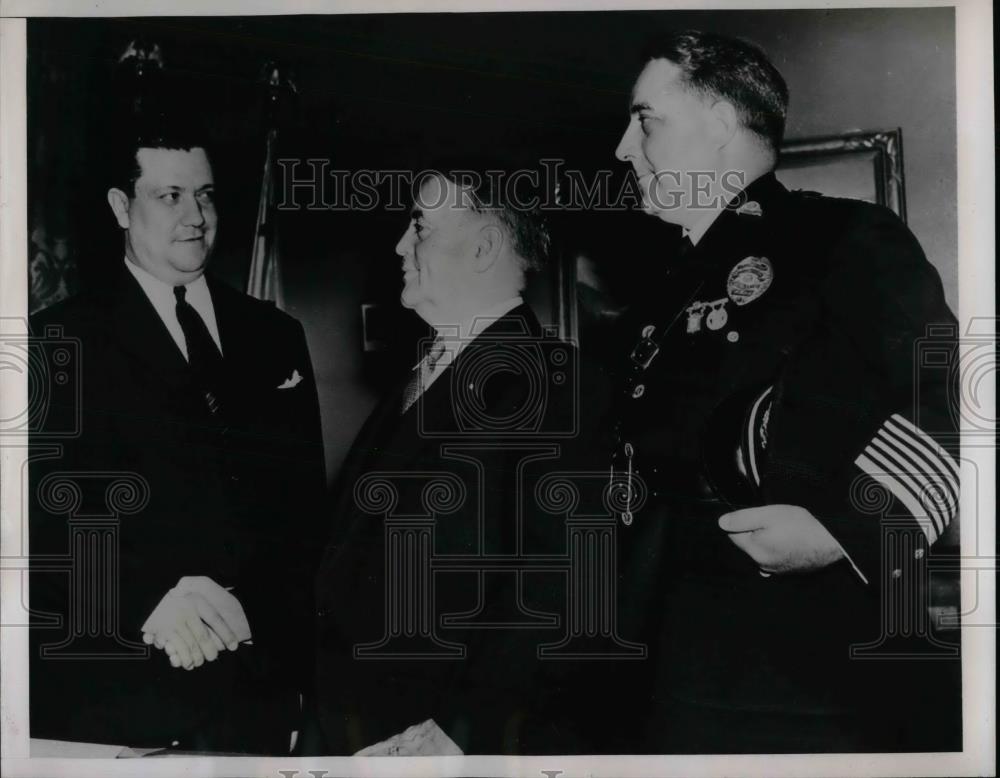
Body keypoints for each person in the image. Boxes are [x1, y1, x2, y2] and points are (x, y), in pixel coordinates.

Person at [602, 30, 960, 752]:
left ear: (723, 122)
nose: (621, 149)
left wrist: (840, 533)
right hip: (660, 642)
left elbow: (951, 402)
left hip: (798, 666)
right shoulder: (657, 295)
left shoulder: (844, 239)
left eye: (645, 121)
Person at [29, 115, 325, 753]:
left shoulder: (277, 336)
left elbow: (304, 517)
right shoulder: (59, 340)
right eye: (170, 196)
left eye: (207, 194)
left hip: (260, 697)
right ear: (120, 207)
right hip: (124, 695)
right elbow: (41, 517)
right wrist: (148, 597)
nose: (196, 215)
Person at [313, 166, 585, 755]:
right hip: (359, 723)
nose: (399, 245)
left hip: (431, 739)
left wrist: (464, 727)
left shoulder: (551, 384)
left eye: (419, 226)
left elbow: (558, 582)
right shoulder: (420, 375)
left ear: (484, 246)